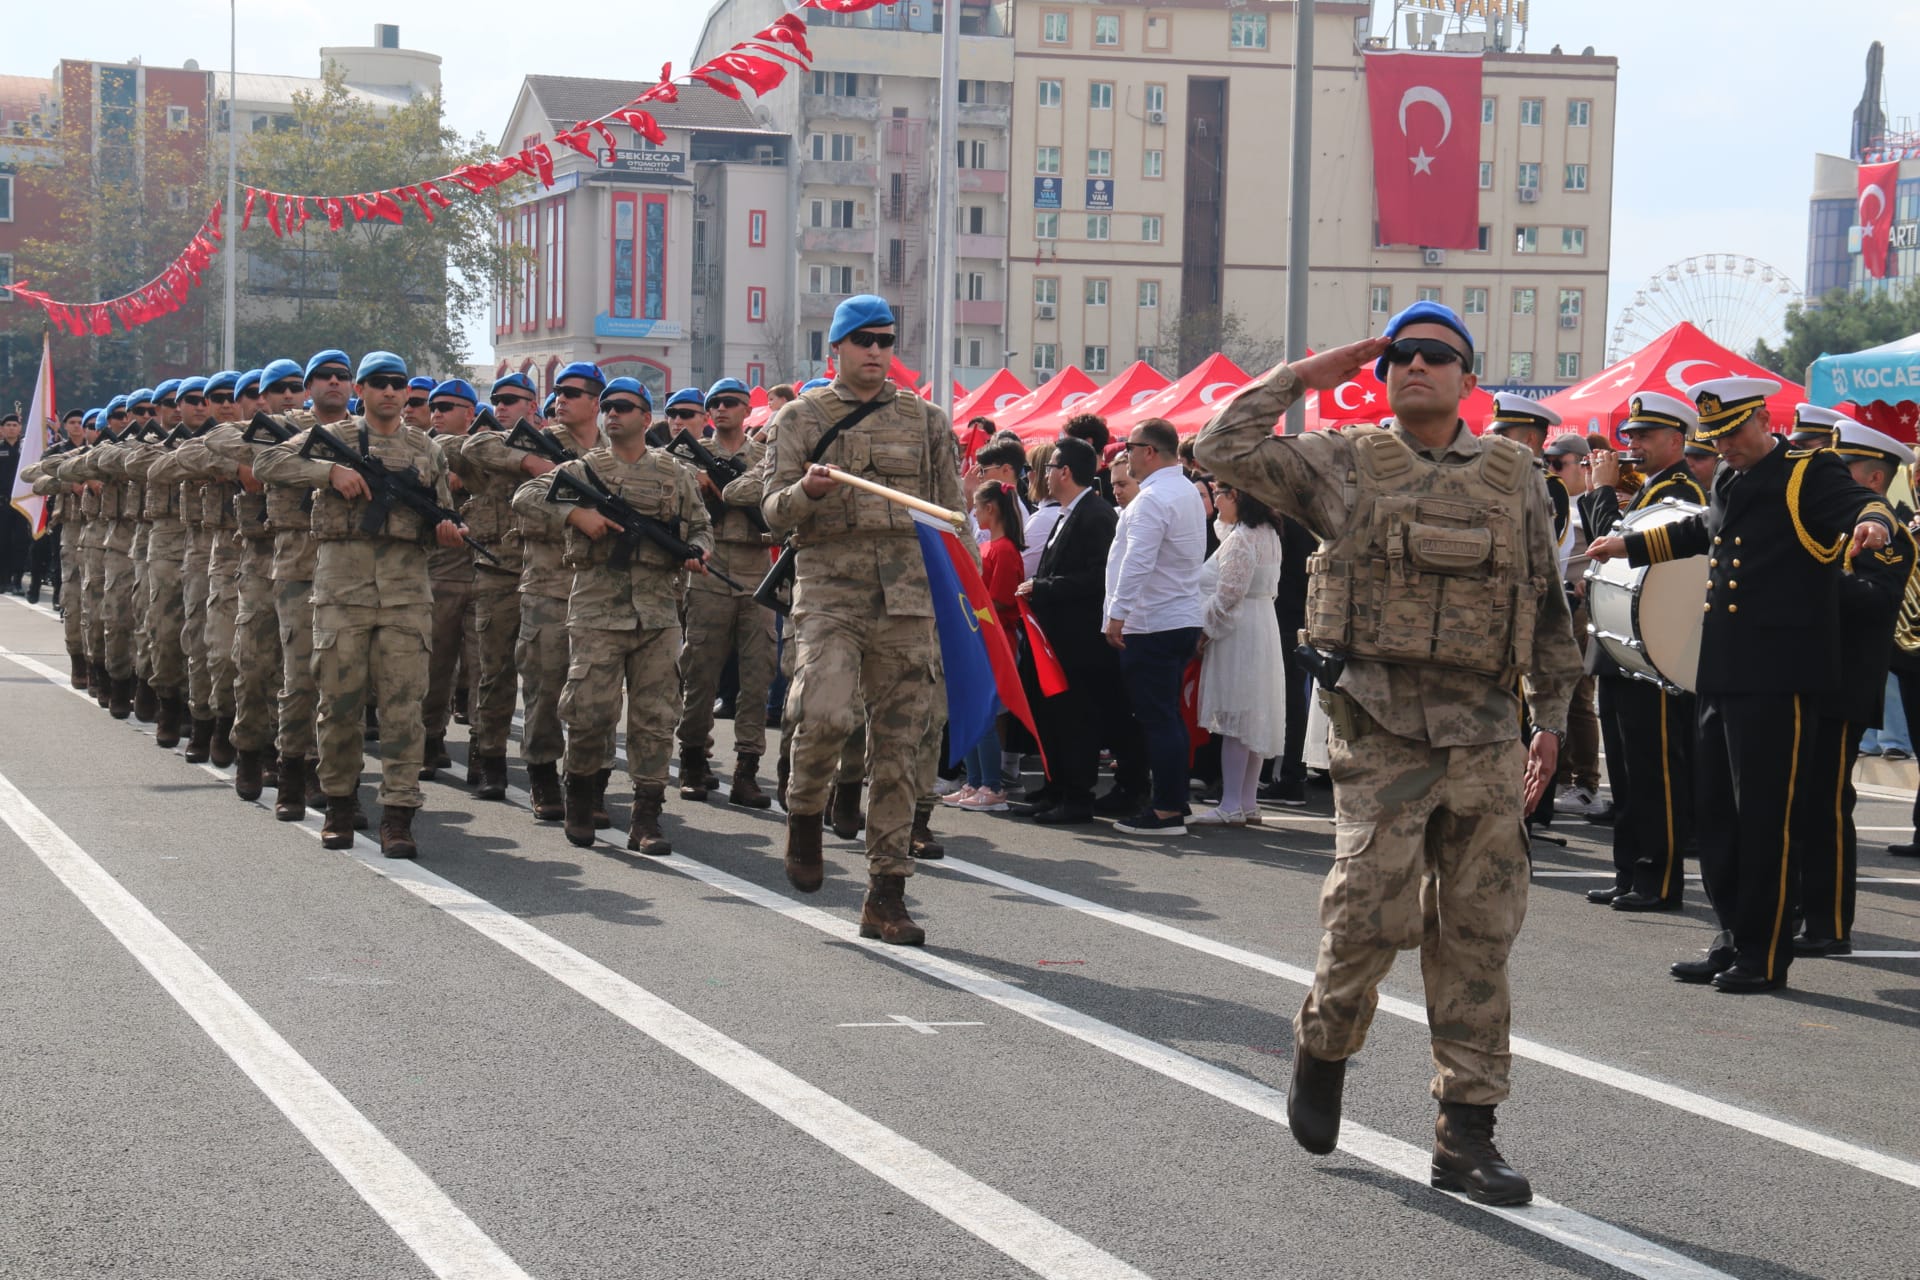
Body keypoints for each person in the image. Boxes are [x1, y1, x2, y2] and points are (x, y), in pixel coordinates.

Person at [1196, 301, 1581, 1205]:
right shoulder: (1343, 461)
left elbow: (1547, 606)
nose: (1418, 366)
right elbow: (1219, 445)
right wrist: (1309, 373)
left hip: (1486, 733)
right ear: (1382, 369)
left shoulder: (1517, 475)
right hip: (1382, 731)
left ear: (1469, 379)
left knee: (1478, 935)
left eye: (1438, 356)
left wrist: (1553, 716)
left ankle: (1467, 1134)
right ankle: (1324, 1046)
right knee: (1368, 918)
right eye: (1402, 354)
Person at [1589, 377, 1896, 993]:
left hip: (1781, 675)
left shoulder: (1807, 470)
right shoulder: (1730, 477)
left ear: (1761, 421)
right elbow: (1707, 528)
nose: (1722, 447)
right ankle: (1731, 936)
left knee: (1766, 818)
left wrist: (1878, 527)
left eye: (1730, 434)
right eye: (1714, 438)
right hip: (1724, 670)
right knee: (1719, 814)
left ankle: (1764, 951)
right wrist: (1631, 542)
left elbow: (1865, 505)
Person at [762, 293, 964, 946]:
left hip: (906, 605)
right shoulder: (801, 416)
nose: (877, 351)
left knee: (900, 753)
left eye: (885, 340)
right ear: (838, 349)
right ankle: (804, 813)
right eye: (864, 340)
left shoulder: (927, 422)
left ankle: (886, 894)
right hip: (830, 596)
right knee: (823, 712)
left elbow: (949, 514)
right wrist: (808, 492)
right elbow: (771, 509)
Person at [254, 350, 470, 857]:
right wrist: (327, 474)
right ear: (362, 391)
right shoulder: (336, 439)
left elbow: (443, 513)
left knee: (402, 708)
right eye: (378, 383)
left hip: (406, 594)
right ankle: (339, 804)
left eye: (398, 384)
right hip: (341, 593)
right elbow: (267, 460)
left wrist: (449, 532)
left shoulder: (426, 449)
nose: (391, 392)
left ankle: (399, 814)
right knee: (340, 706)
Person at [514, 377, 711, 854]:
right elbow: (524, 498)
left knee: (655, 716)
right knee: (590, 710)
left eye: (625, 407)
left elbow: (703, 527)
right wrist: (575, 515)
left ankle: (647, 816)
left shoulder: (674, 473)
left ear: (647, 418)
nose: (613, 414)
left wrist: (697, 551)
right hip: (598, 608)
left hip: (659, 611)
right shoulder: (585, 469)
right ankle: (580, 794)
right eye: (609, 407)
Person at [1791, 416, 1916, 955]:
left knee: (1825, 804)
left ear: (1871, 478)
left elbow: (1871, 599)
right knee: (1796, 802)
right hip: (1805, 677)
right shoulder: (1831, 524)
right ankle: (1796, 907)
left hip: (1843, 686)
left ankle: (1829, 922)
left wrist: (1806, 580)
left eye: (1844, 470)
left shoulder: (1891, 536)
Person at [1582, 393, 1708, 911]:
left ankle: (1657, 878)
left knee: (1655, 770)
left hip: (1652, 653)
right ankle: (1630, 869)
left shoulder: (1678, 490)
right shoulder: (1653, 487)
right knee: (1629, 771)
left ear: (1677, 441)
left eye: (1645, 436)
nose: (1631, 444)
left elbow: (1613, 546)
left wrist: (1603, 492)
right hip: (1623, 648)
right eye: (1630, 435)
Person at [1102, 417, 1207, 837]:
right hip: (1175, 616)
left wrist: (1117, 614)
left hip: (1153, 621)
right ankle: (1171, 801)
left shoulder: (1153, 498)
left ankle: (1166, 809)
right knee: (1166, 716)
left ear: (1149, 451)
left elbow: (1138, 562)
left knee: (1158, 717)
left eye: (1130, 447)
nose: (1125, 456)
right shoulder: (1182, 491)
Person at [674, 376, 775, 810]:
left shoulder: (765, 459)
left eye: (731, 402)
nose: (721, 409)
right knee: (700, 672)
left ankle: (747, 770)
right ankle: (694, 760)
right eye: (714, 403)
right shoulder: (686, 458)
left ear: (746, 410)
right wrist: (696, 483)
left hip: (756, 571)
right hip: (709, 572)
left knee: (756, 678)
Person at [461, 373, 538, 800]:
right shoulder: (488, 444)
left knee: (547, 675)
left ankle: (544, 763)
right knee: (493, 673)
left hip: (548, 573)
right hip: (497, 572)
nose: (501, 406)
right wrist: (527, 462)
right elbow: (469, 445)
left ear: (532, 403)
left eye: (511, 400)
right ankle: (488, 756)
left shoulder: (554, 441)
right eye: (496, 400)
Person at [1190, 483, 1287, 826]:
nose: (1214, 500)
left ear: (1237, 497)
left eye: (1220, 493)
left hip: (1239, 629)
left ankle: (1232, 802)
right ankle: (1246, 801)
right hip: (1260, 624)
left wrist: (1204, 629)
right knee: (1253, 714)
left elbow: (1228, 594)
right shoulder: (1265, 533)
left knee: (1237, 713)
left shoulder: (1243, 538)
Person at [947, 479, 1025, 812]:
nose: (974, 513)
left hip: (992, 640)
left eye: (977, 507)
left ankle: (991, 786)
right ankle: (974, 780)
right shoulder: (988, 547)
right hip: (975, 636)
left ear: (990, 509)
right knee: (967, 711)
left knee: (984, 716)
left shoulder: (1005, 549)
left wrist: (969, 607)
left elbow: (1002, 602)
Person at [1541, 431, 1605, 818]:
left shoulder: (1597, 504)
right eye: (1547, 462)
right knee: (1552, 693)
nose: (1550, 469)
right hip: (1554, 602)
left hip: (1580, 604)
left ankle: (1586, 783)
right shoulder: (1551, 498)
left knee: (1579, 696)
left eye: (1557, 463)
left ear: (1583, 465)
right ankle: (1560, 777)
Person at [421, 378, 481, 778]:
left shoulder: (487, 449)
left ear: (469, 414)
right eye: (435, 406)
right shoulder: (417, 450)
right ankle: (429, 738)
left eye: (448, 406)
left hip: (485, 573)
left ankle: (483, 745)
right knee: (435, 663)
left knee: (483, 667)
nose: (438, 413)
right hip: (439, 571)